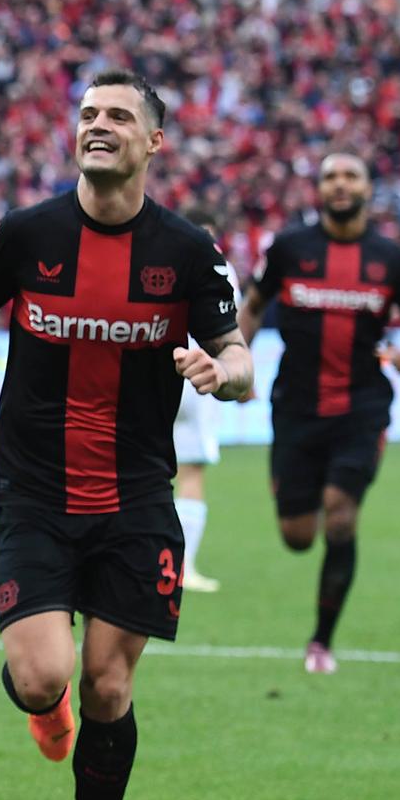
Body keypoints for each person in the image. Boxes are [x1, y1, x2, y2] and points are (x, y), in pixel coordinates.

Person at [0, 71, 253, 800]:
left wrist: (223, 374)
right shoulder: (26, 235)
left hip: (136, 498)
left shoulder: (189, 253)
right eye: (87, 114)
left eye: (117, 116)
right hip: (34, 493)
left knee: (109, 687)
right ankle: (43, 705)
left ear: (154, 142)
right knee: (44, 678)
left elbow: (240, 357)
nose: (97, 125)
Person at [237, 153, 400, 675]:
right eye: (330, 177)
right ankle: (311, 497)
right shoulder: (288, 248)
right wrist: (238, 361)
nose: (340, 184)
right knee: (298, 536)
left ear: (368, 188)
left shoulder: (392, 258)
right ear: (319, 189)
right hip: (296, 407)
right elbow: (252, 307)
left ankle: (321, 642)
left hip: (362, 407)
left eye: (351, 176)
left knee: (341, 515)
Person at [170, 210, 241, 594]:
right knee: (191, 473)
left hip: (157, 373)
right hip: (201, 376)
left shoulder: (160, 259)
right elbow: (232, 336)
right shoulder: (220, 269)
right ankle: (182, 566)